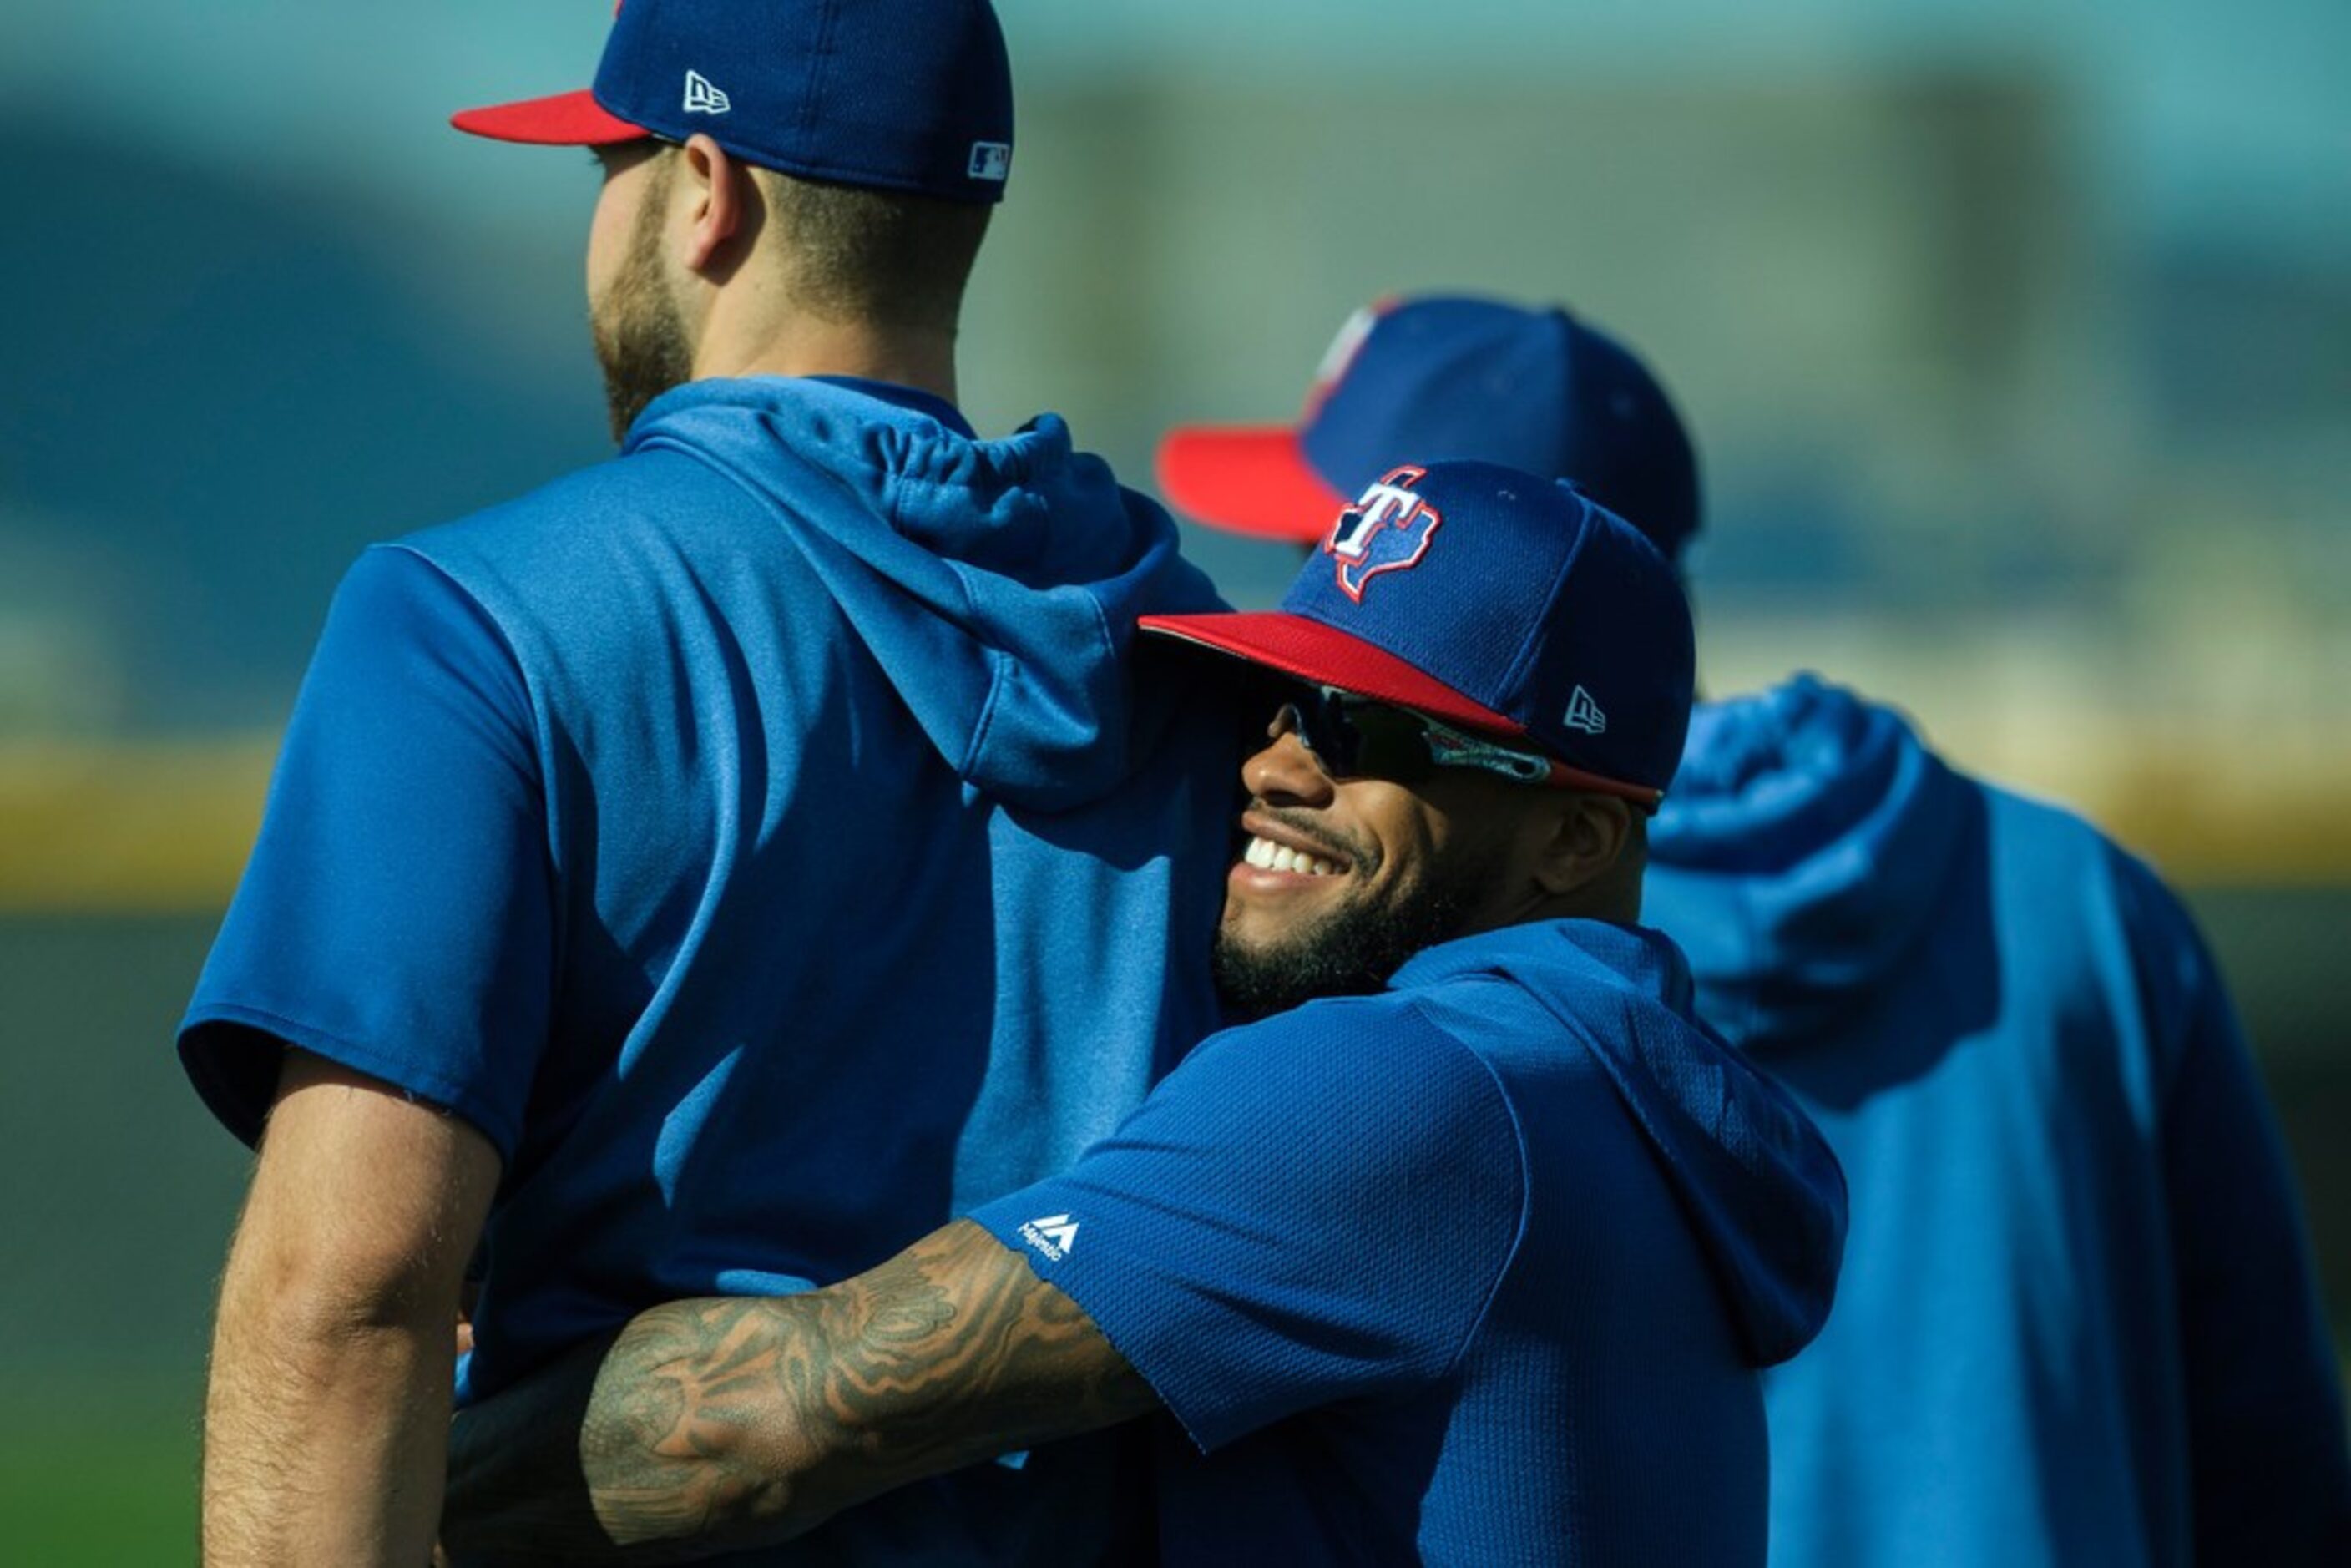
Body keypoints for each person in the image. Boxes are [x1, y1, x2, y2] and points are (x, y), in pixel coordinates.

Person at [177, 3, 1243, 1561]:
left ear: (704, 192)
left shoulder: (474, 619)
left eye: (606, 168)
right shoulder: (1220, 671)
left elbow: (349, 1296)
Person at [436, 459, 1848, 1565]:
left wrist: (371, 1467)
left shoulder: (1408, 1088)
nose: (1279, 766)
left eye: (1364, 729)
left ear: (1573, 840)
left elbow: (761, 1428)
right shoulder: (1606, 1083)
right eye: (1281, 699)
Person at [1156, 291, 2351, 1563]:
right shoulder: (2078, 895)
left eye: (1353, 552)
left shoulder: (1423, 929)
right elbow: (2271, 1463)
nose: (1311, 609)